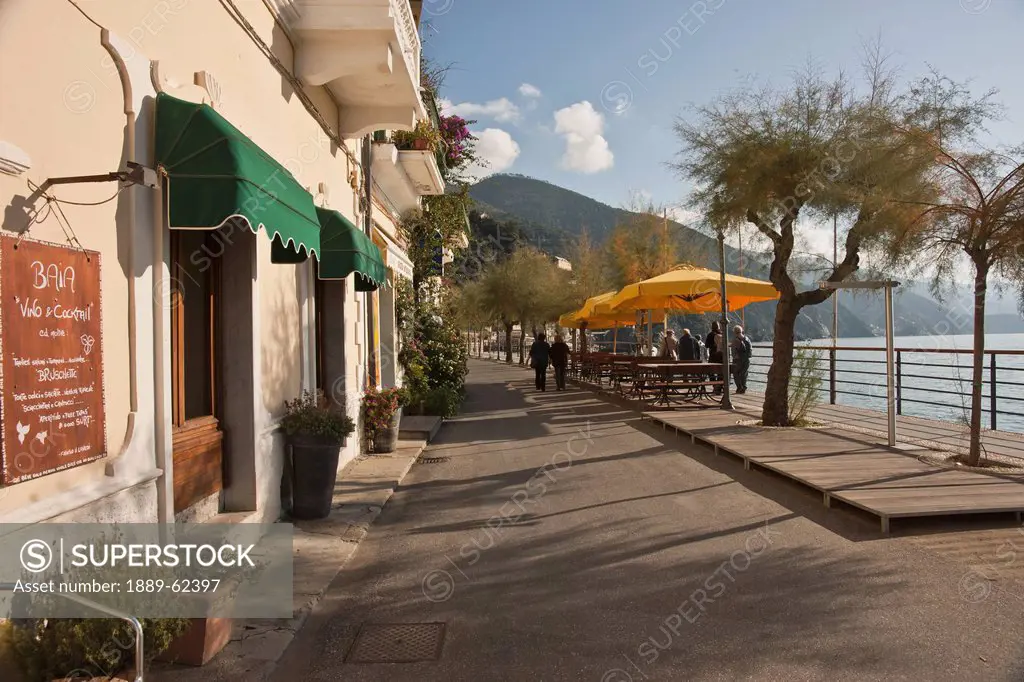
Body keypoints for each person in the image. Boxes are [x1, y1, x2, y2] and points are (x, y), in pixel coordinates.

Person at [731, 325, 752, 394]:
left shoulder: (735, 340)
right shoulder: (747, 338)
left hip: (738, 359)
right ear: (741, 331)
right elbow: (750, 349)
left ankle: (739, 387)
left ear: (734, 332)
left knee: (736, 373)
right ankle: (744, 387)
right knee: (744, 373)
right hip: (746, 359)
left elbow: (734, 351)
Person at [706, 321, 724, 393]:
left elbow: (706, 345)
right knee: (721, 372)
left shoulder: (710, 335)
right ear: (718, 326)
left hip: (713, 356)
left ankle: (714, 385)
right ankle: (719, 386)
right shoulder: (722, 334)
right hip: (721, 356)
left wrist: (712, 346)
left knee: (711, 371)